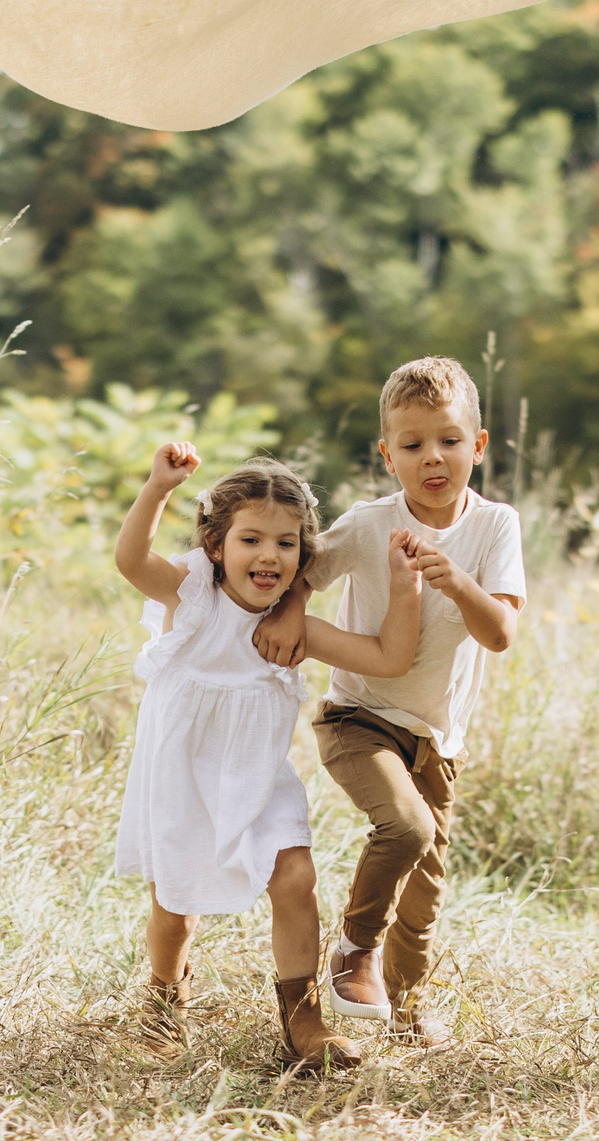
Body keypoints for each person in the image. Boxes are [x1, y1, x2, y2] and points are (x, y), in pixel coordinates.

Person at [113, 446, 423, 1074]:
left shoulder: (292, 630)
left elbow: (390, 657)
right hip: (183, 776)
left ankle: (303, 1020)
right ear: (215, 545)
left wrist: (405, 584)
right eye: (250, 539)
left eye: (285, 544)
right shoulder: (193, 594)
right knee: (175, 909)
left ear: (303, 557)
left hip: (258, 775)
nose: (267, 556)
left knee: (295, 879)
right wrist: (157, 487)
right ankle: (164, 997)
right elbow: (129, 561)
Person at [255, 357, 527, 1049]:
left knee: (425, 893)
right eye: (411, 445)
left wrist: (457, 580)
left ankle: (404, 1005)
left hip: (439, 738)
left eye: (448, 440)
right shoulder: (370, 522)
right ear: (387, 455)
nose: (432, 457)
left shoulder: (496, 526)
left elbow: (499, 634)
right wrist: (291, 609)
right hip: (359, 717)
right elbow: (300, 570)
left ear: (479, 444)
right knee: (405, 828)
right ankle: (353, 952)